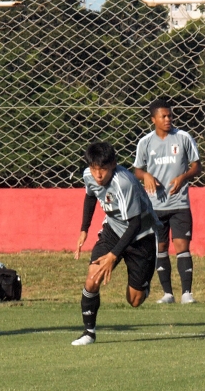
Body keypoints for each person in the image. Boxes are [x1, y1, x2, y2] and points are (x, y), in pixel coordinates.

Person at [73, 142, 160, 345]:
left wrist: (113, 256)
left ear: (113, 164)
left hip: (141, 236)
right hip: (113, 230)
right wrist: (84, 229)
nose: (98, 175)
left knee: (135, 300)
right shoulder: (88, 174)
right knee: (93, 277)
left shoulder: (124, 183)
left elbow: (135, 223)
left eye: (103, 169)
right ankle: (89, 332)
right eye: (94, 168)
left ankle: (146, 278)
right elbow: (90, 196)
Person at [133, 99, 201, 305]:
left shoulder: (183, 137)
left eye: (170, 115)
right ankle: (167, 294)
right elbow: (136, 169)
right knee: (160, 246)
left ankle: (187, 293)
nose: (168, 119)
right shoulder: (145, 142)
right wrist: (145, 175)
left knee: (182, 245)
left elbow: (197, 167)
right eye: (163, 116)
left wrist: (183, 177)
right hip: (155, 206)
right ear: (153, 119)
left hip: (179, 203)